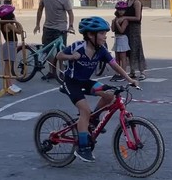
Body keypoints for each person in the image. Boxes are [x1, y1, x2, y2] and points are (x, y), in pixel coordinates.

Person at [56, 16, 138, 162]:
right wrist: (71, 57)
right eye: (102, 34)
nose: (105, 36)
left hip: (86, 82)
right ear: (90, 35)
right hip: (72, 82)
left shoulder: (101, 50)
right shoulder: (78, 47)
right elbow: (59, 55)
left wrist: (129, 79)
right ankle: (83, 148)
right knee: (85, 111)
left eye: (105, 33)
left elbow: (114, 65)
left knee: (110, 96)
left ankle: (92, 121)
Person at [34, 0, 74, 80]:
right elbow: (39, 10)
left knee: (61, 51)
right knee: (47, 51)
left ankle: (61, 72)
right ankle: (52, 71)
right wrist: (37, 24)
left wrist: (71, 25)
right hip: (48, 27)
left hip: (60, 28)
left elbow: (70, 13)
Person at [123, 0, 147, 80]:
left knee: (136, 48)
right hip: (127, 27)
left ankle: (142, 71)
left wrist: (125, 17)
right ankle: (132, 71)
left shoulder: (137, 2)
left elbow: (138, 17)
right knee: (128, 49)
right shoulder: (127, 2)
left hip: (135, 28)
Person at [0, 4, 22, 95]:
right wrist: (15, 21)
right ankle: (8, 85)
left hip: (9, 45)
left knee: (7, 66)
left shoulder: (3, 23)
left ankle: (8, 84)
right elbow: (19, 31)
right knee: (8, 66)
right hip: (10, 45)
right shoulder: (8, 24)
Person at [110, 1, 130, 82]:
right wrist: (113, 23)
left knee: (123, 57)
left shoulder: (125, 20)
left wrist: (117, 23)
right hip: (117, 38)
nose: (121, 11)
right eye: (119, 10)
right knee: (117, 57)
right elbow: (113, 29)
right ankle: (118, 72)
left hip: (123, 38)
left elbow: (122, 30)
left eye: (122, 10)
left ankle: (124, 73)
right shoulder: (116, 18)